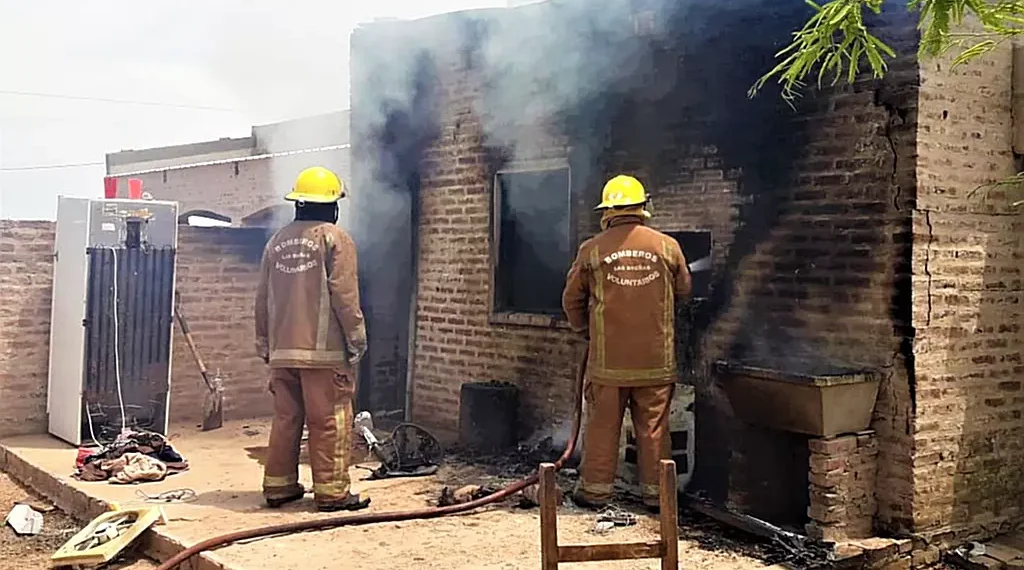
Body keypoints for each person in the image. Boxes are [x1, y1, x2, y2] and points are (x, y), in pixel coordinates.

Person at [562, 174, 692, 513]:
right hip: (656, 361)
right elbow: (684, 291)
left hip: (608, 364)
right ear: (642, 207)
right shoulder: (668, 247)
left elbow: (571, 300)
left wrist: (584, 330)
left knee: (603, 427)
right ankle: (658, 498)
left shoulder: (592, 250)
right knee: (654, 430)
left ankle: (594, 493)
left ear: (607, 211)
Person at [254, 166, 370, 512]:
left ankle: (279, 487)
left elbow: (262, 297)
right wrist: (357, 339)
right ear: (331, 206)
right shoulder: (335, 238)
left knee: (286, 419)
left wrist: (264, 342)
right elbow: (345, 296)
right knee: (331, 420)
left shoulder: (276, 242)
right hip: (324, 354)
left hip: (282, 352)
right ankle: (333, 493)